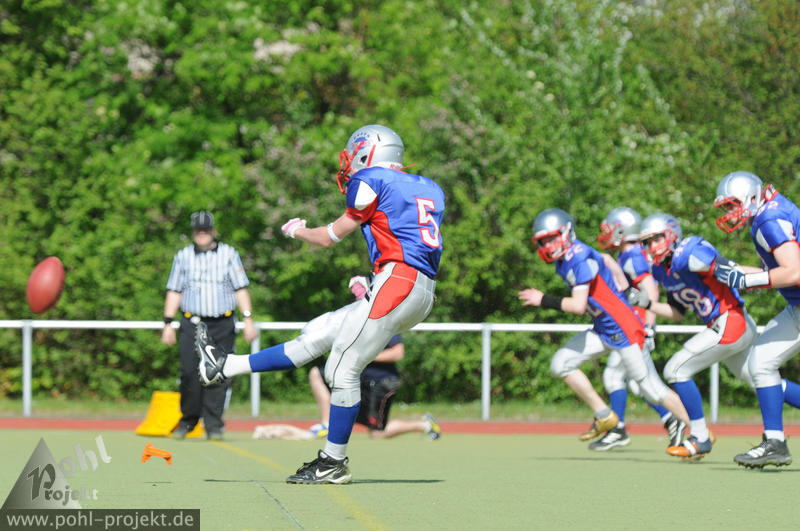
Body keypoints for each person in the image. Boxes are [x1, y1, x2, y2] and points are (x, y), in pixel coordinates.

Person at [195, 124, 444, 484]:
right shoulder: (428, 187)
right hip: (416, 288)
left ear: (366, 153)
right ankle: (224, 365)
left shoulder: (372, 179)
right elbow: (408, 239)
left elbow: (330, 237)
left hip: (398, 282)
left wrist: (296, 230)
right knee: (317, 334)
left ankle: (332, 462)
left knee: (341, 369)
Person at [518, 208, 690, 456]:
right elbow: (606, 260)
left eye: (552, 238)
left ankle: (697, 428)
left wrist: (542, 299)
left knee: (649, 388)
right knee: (562, 364)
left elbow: (579, 306)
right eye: (543, 241)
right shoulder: (570, 257)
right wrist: (620, 287)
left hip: (625, 329)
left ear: (566, 233)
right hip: (605, 329)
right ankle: (605, 416)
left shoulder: (582, 257)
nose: (548, 245)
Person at [633, 213, 757, 460]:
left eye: (657, 239)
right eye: (647, 242)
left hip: (730, 319)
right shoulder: (660, 270)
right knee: (765, 382)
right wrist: (646, 303)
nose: (652, 246)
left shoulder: (688, 252)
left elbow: (733, 270)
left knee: (675, 370)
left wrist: (775, 276)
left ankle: (700, 437)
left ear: (671, 234)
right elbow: (677, 313)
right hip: (724, 323)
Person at [712, 171, 800, 468]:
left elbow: (794, 271)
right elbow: (780, 269)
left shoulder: (768, 219)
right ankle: (774, 442)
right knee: (760, 363)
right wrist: (738, 271)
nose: (730, 213)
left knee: (761, 364)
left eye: (732, 205)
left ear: (751, 197)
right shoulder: (772, 210)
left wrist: (748, 281)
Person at [593, 207, 685, 451]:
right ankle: (671, 419)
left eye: (611, 229)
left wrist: (649, 326)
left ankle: (619, 429)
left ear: (624, 230)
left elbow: (651, 291)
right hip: (633, 325)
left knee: (614, 377)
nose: (607, 234)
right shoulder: (631, 254)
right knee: (638, 383)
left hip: (635, 327)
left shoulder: (632, 256)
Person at [161, 210, 258, 440]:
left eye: (206, 229)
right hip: (192, 323)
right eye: (198, 230)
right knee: (189, 373)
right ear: (193, 232)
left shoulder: (229, 254)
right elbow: (174, 290)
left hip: (222, 323)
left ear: (213, 231)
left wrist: (248, 319)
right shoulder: (183, 256)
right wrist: (167, 323)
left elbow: (240, 288)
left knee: (219, 373)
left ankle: (214, 425)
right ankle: (188, 420)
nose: (202, 233)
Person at [307, 275, 441, 441]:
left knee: (377, 433)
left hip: (382, 383)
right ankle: (326, 424)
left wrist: (368, 355)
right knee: (316, 374)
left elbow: (397, 353)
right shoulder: (354, 319)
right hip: (361, 380)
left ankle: (424, 425)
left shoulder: (383, 318)